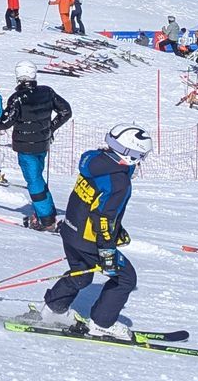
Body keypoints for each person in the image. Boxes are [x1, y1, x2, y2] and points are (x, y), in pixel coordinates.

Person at [36, 126, 152, 340]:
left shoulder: (95, 160)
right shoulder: (119, 181)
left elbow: (92, 202)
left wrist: (117, 231)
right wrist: (107, 250)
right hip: (89, 240)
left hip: (71, 231)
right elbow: (103, 217)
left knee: (81, 274)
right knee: (126, 278)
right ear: (129, 154)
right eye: (140, 156)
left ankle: (52, 310)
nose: (140, 162)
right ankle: (102, 324)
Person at [2, 62, 72, 228]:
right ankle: (46, 212)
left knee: (34, 181)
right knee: (38, 178)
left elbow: (4, 123)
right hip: (42, 144)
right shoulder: (47, 92)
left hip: (25, 147)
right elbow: (66, 111)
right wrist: (50, 128)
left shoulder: (17, 98)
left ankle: (46, 219)